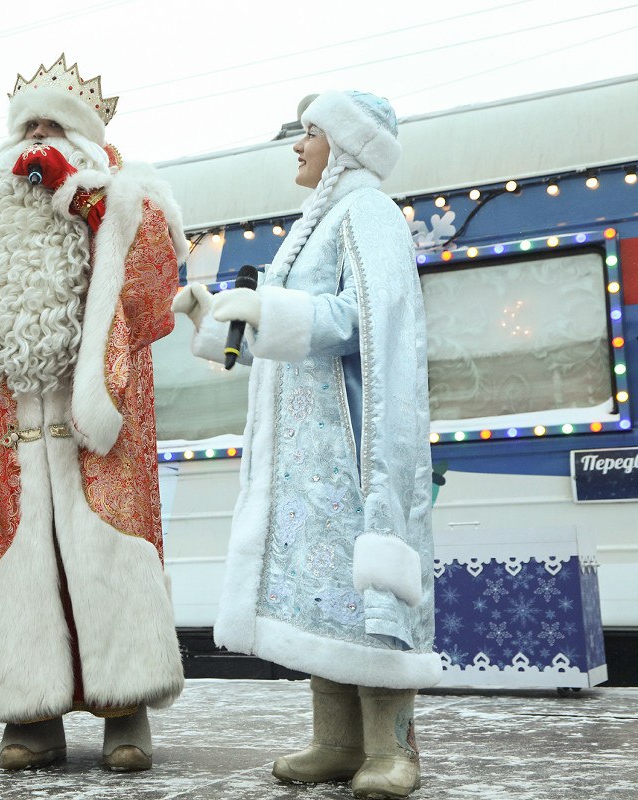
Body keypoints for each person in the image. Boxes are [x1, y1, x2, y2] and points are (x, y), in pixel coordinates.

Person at [0, 55, 187, 772]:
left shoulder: (128, 195)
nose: (36, 139)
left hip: (98, 431)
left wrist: (84, 205)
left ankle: (126, 707)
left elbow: (152, 293)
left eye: (53, 126)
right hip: (7, 431)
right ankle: (29, 713)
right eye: (27, 126)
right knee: (19, 562)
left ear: (83, 140)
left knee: (107, 554)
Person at [174, 91, 439, 799]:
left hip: (352, 450)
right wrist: (215, 319)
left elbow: (362, 318)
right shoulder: (319, 222)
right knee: (326, 596)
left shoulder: (368, 212)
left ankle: (393, 747)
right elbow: (284, 335)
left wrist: (267, 308)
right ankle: (339, 741)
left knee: (368, 594)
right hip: (308, 459)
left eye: (311, 132)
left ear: (344, 146)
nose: (297, 144)